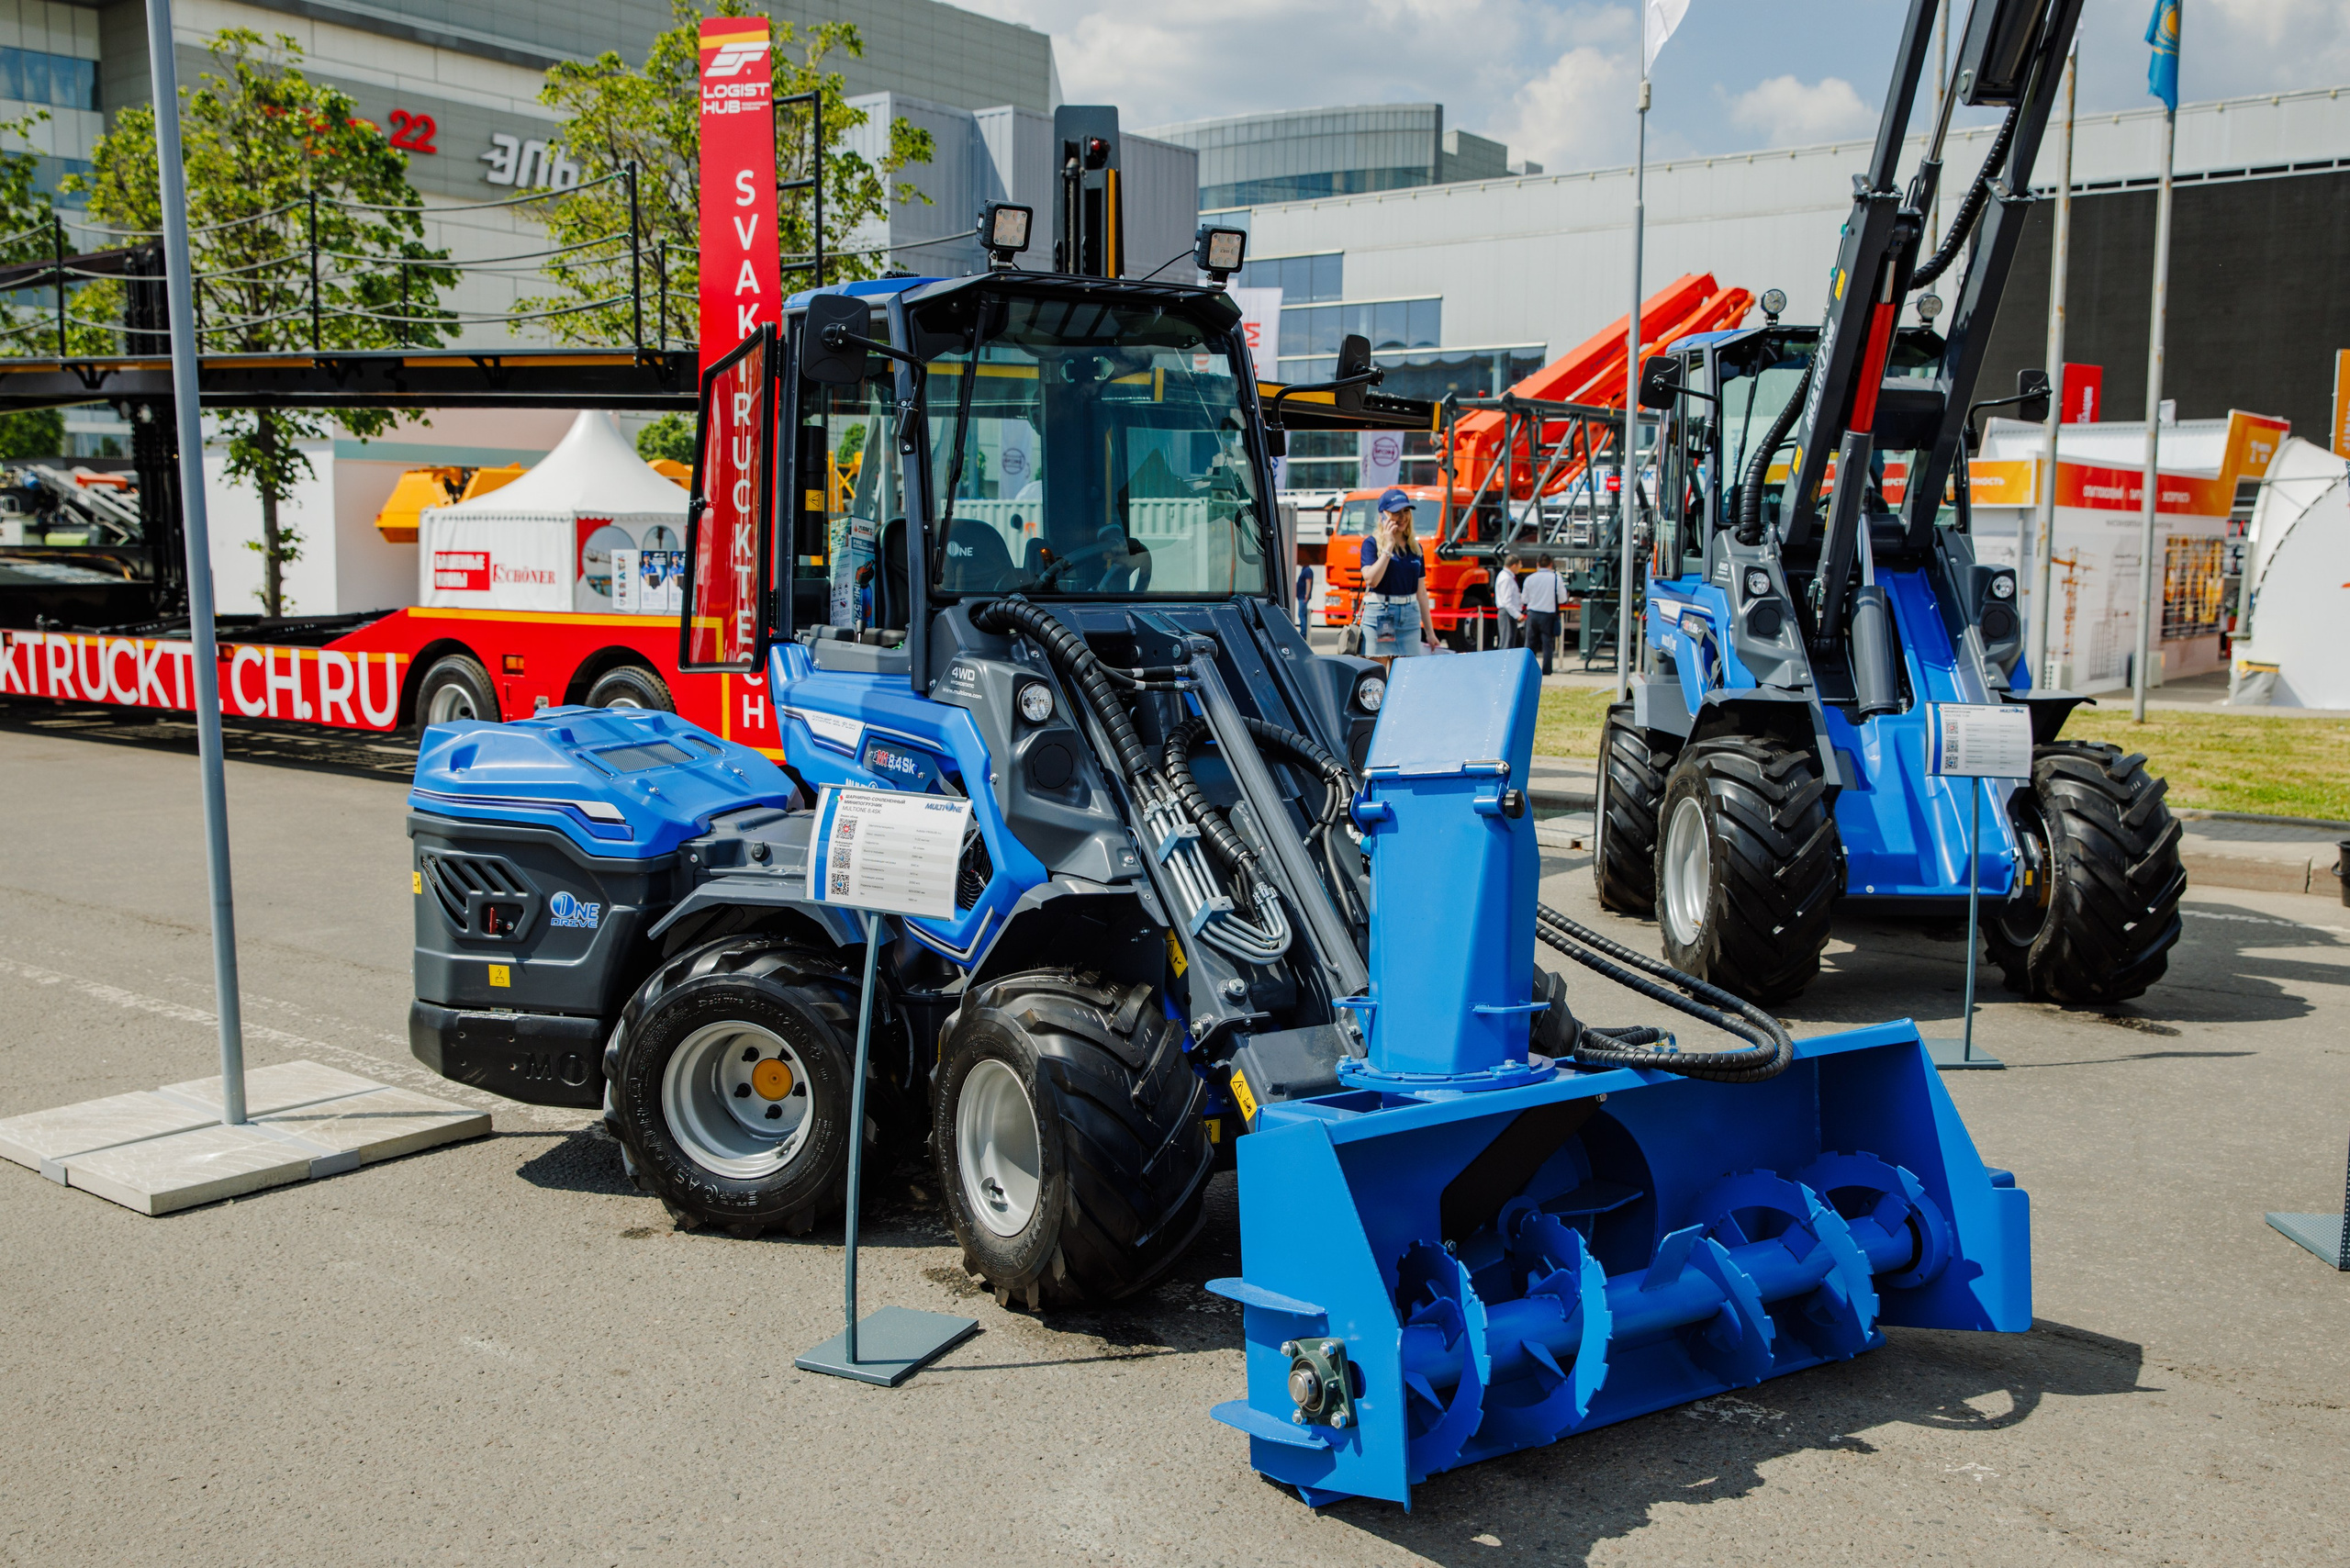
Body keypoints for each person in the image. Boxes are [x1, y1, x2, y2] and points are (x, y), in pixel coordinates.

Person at [1358, 487, 1434, 667]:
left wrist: (1430, 632)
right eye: (1396, 512)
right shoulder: (1371, 544)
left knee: (1405, 679)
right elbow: (1371, 580)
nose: (1403, 517)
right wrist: (1388, 546)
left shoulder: (1415, 548)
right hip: (1381, 614)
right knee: (1376, 678)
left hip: (1410, 617)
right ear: (1383, 515)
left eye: (1406, 511)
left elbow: (1421, 593)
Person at [1522, 553, 1563, 676]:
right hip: (1548, 614)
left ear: (1537, 564)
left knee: (1530, 643)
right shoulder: (1556, 578)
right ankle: (1546, 670)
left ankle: (1528, 668)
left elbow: (1524, 599)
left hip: (1533, 613)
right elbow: (1562, 598)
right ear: (1551, 564)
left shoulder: (1530, 578)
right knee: (1547, 644)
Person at [1491, 553, 1526, 650]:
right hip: (1507, 612)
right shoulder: (1506, 578)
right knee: (1506, 642)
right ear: (1514, 565)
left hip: (1509, 612)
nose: (1520, 567)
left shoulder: (1507, 577)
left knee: (1509, 641)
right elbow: (1507, 601)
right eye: (1520, 565)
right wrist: (1517, 614)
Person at [1295, 556, 1315, 640]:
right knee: (1303, 614)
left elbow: (1308, 582)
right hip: (1301, 596)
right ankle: (1304, 632)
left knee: (1301, 614)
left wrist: (1306, 594)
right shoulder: (1304, 570)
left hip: (1303, 596)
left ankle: (1303, 633)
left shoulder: (1307, 570)